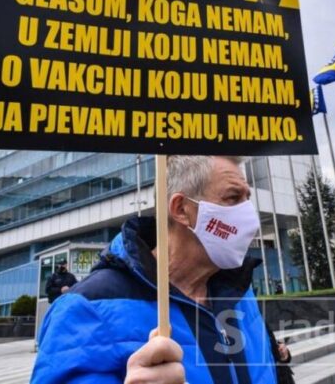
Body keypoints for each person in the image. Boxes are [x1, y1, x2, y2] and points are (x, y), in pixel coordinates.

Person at [32, 156, 280, 383]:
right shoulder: (87, 308)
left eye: (247, 199)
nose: (250, 218)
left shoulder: (239, 292)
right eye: (233, 198)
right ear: (181, 209)